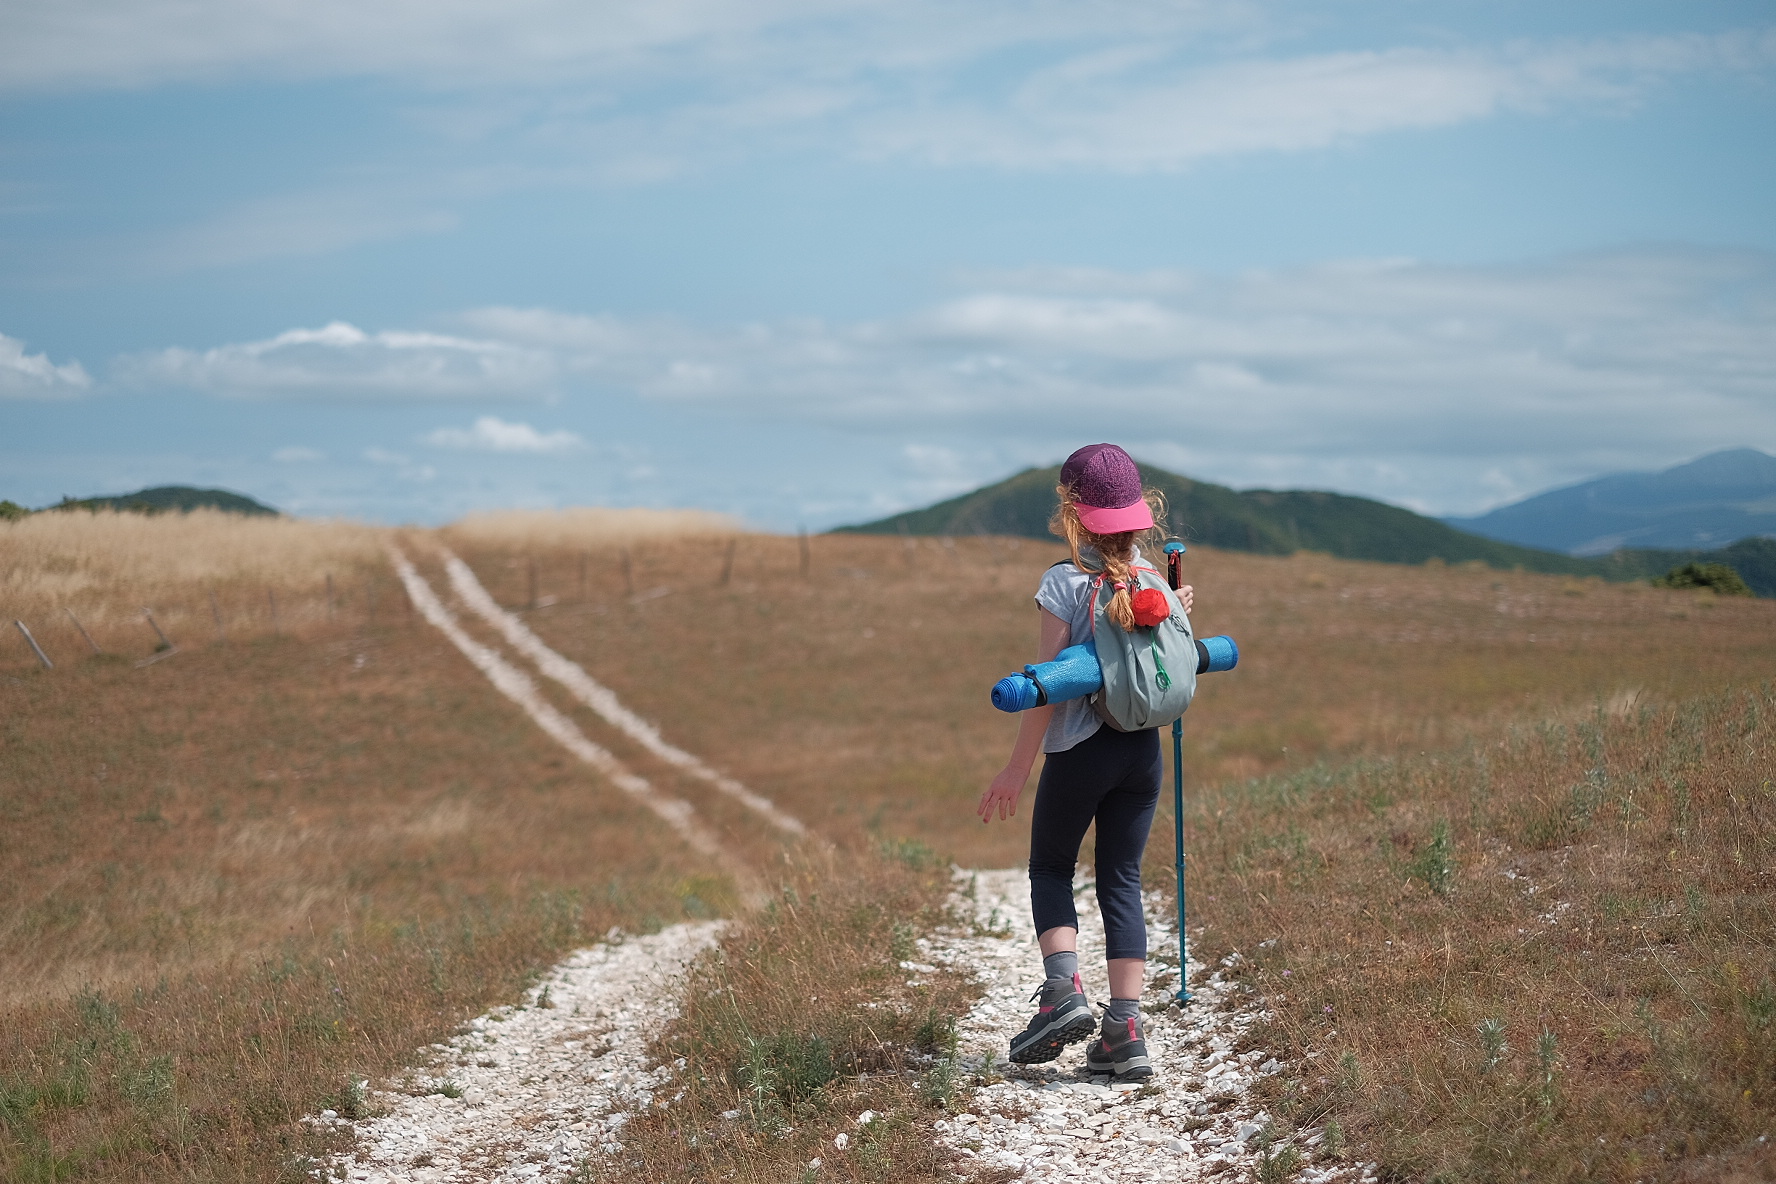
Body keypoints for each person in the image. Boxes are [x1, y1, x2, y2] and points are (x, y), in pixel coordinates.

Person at [978, 443, 1192, 1081]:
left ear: (1072, 510)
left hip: (1079, 752)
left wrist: (1016, 769)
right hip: (1142, 751)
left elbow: (1047, 685)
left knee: (1050, 866)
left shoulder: (1063, 581)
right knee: (1121, 878)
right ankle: (1124, 1029)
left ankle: (1063, 994)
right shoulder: (1156, 580)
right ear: (1137, 513)